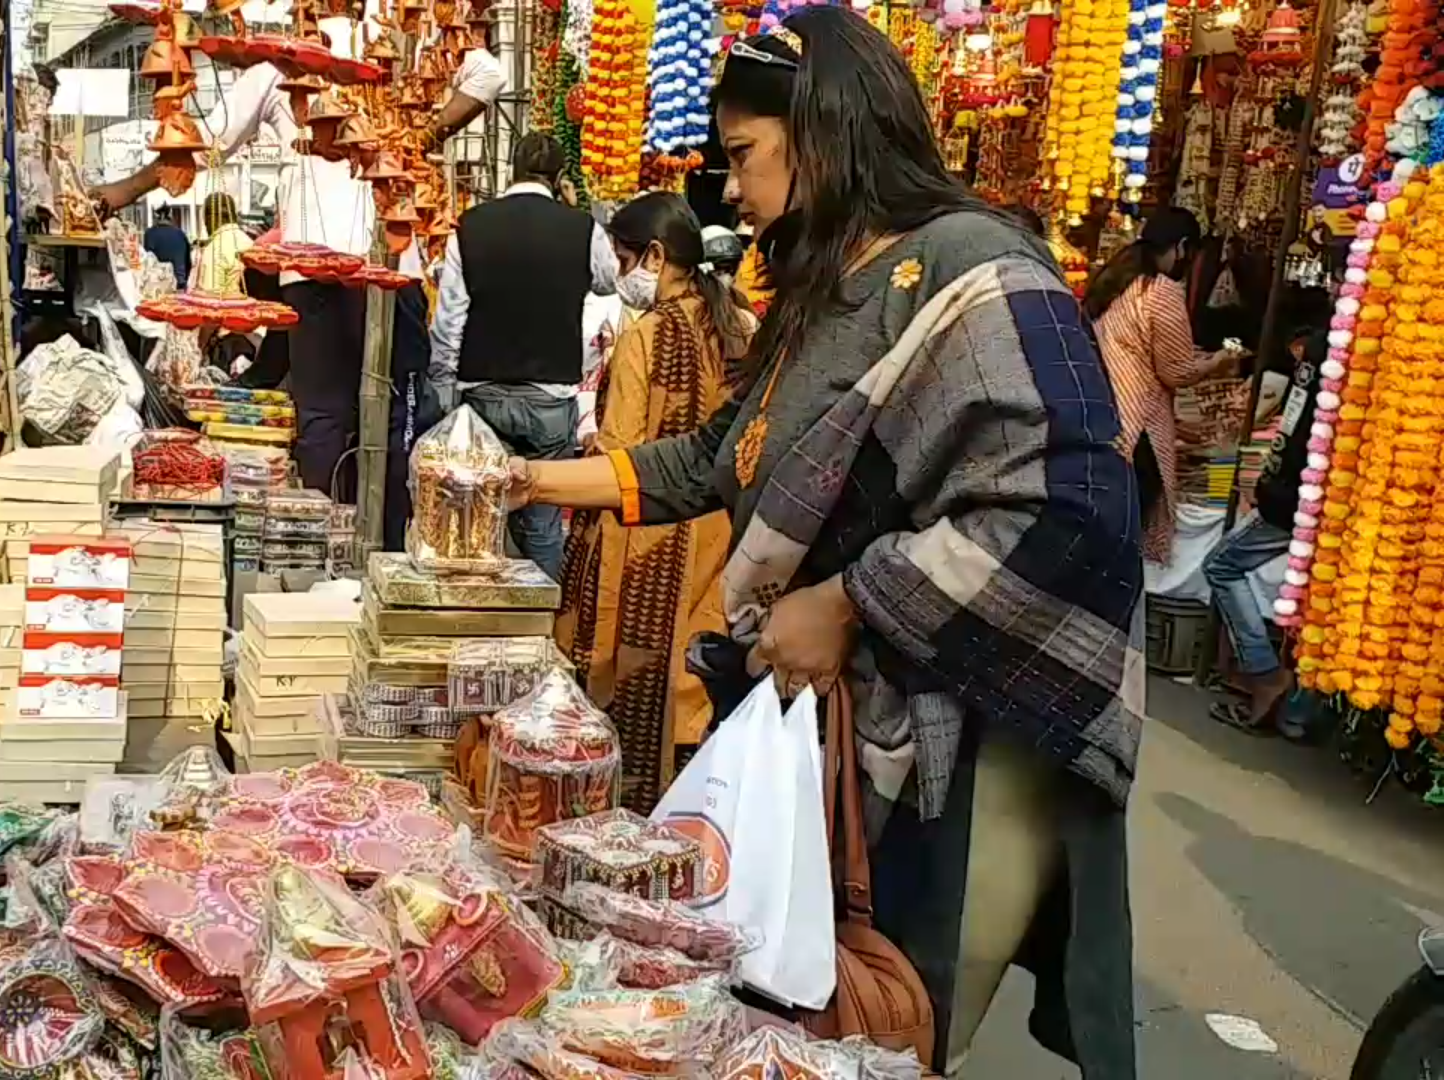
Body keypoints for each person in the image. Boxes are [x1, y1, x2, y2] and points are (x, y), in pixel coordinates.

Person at [507, 10, 1141, 1077]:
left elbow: (1071, 509)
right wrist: (521, 479)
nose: (738, 192)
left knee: (887, 1020)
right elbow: (720, 457)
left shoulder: (976, 270)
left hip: (960, 745)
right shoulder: (829, 285)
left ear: (828, 129)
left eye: (748, 158)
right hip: (830, 723)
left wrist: (848, 600)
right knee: (793, 1012)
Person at [91, 9, 504, 548]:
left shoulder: (315, 58)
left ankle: (323, 546)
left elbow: (205, 140)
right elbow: (490, 74)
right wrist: (427, 131)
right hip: (373, 270)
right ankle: (385, 544)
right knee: (390, 413)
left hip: (324, 273)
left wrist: (123, 190)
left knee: (325, 418)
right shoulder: (393, 50)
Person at [553, 191, 753, 806]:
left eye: (622, 256)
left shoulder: (644, 336)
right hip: (721, 540)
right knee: (696, 690)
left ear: (656, 256)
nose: (619, 273)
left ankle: (636, 817)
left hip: (647, 538)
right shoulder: (743, 325)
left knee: (637, 688)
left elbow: (622, 452)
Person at [428, 132, 619, 578]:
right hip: (550, 396)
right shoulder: (581, 228)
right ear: (559, 179)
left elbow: (450, 320)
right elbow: (610, 282)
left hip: (482, 391)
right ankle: (537, 629)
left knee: (476, 511)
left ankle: (472, 612)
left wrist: (444, 389)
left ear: (511, 171)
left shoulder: (471, 226)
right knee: (543, 519)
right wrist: (573, 212)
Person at [1203, 295, 1331, 734]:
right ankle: (1298, 712)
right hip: (1333, 496)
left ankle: (1266, 676)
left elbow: (1293, 432)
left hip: (1302, 495)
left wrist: (1270, 487)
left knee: (1221, 566)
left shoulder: (1322, 353)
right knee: (1322, 600)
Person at [1086, 207, 1243, 564]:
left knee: (1104, 528)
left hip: (1103, 415)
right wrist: (1220, 360)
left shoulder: (1117, 282)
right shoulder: (1161, 291)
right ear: (1183, 247)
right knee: (1124, 538)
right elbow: (1178, 372)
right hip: (1136, 428)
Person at [192, 192, 251, 297]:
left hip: (229, 310)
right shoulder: (248, 241)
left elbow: (209, 298)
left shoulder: (214, 250)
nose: (205, 226)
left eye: (205, 220)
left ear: (210, 218)